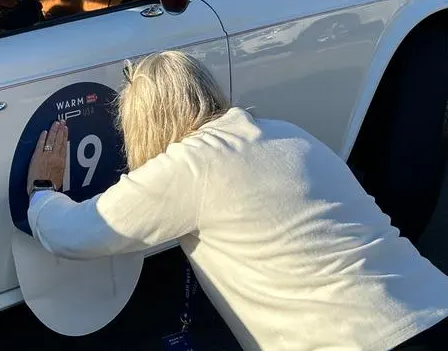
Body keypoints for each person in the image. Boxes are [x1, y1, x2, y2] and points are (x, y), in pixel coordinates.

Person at [25, 50, 448, 350]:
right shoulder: (285, 132)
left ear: (144, 121)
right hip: (434, 306)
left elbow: (75, 234)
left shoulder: (189, 166)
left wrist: (43, 190)